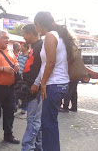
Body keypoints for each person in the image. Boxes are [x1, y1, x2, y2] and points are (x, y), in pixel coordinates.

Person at [34, 11, 73, 151]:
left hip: (53, 84)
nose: (34, 27)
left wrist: (42, 83)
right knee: (51, 122)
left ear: (39, 24)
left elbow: (50, 62)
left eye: (35, 24)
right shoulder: (59, 36)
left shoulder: (50, 36)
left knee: (48, 124)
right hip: (60, 84)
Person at [21, 24, 43, 151]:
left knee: (33, 120)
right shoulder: (34, 47)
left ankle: (28, 147)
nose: (24, 37)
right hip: (31, 89)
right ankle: (38, 146)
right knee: (35, 121)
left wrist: (36, 83)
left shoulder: (40, 46)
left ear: (30, 33)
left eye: (24, 34)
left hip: (36, 90)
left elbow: (43, 67)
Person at [17, 43, 29, 114]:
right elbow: (16, 62)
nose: (20, 47)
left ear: (25, 47)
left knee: (24, 92)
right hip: (18, 76)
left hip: (25, 77)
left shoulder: (29, 56)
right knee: (17, 91)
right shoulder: (20, 55)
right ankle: (15, 108)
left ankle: (24, 108)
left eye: (22, 46)